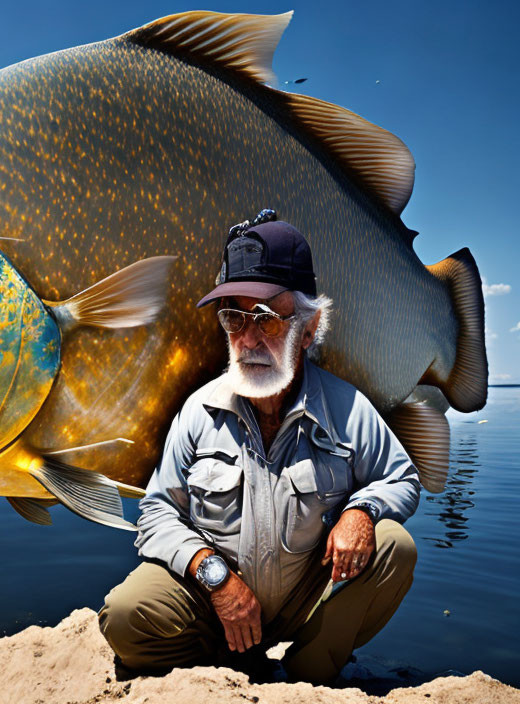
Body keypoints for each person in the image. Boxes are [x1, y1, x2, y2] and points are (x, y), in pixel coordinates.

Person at [98, 211, 421, 684]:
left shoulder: (349, 408)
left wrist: (364, 510)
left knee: (396, 545)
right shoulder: (197, 411)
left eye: (267, 319)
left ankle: (310, 674)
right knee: (125, 615)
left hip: (305, 601)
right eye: (233, 316)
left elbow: (403, 478)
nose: (246, 339)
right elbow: (156, 514)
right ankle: (225, 664)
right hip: (216, 604)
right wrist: (215, 577)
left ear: (308, 330)